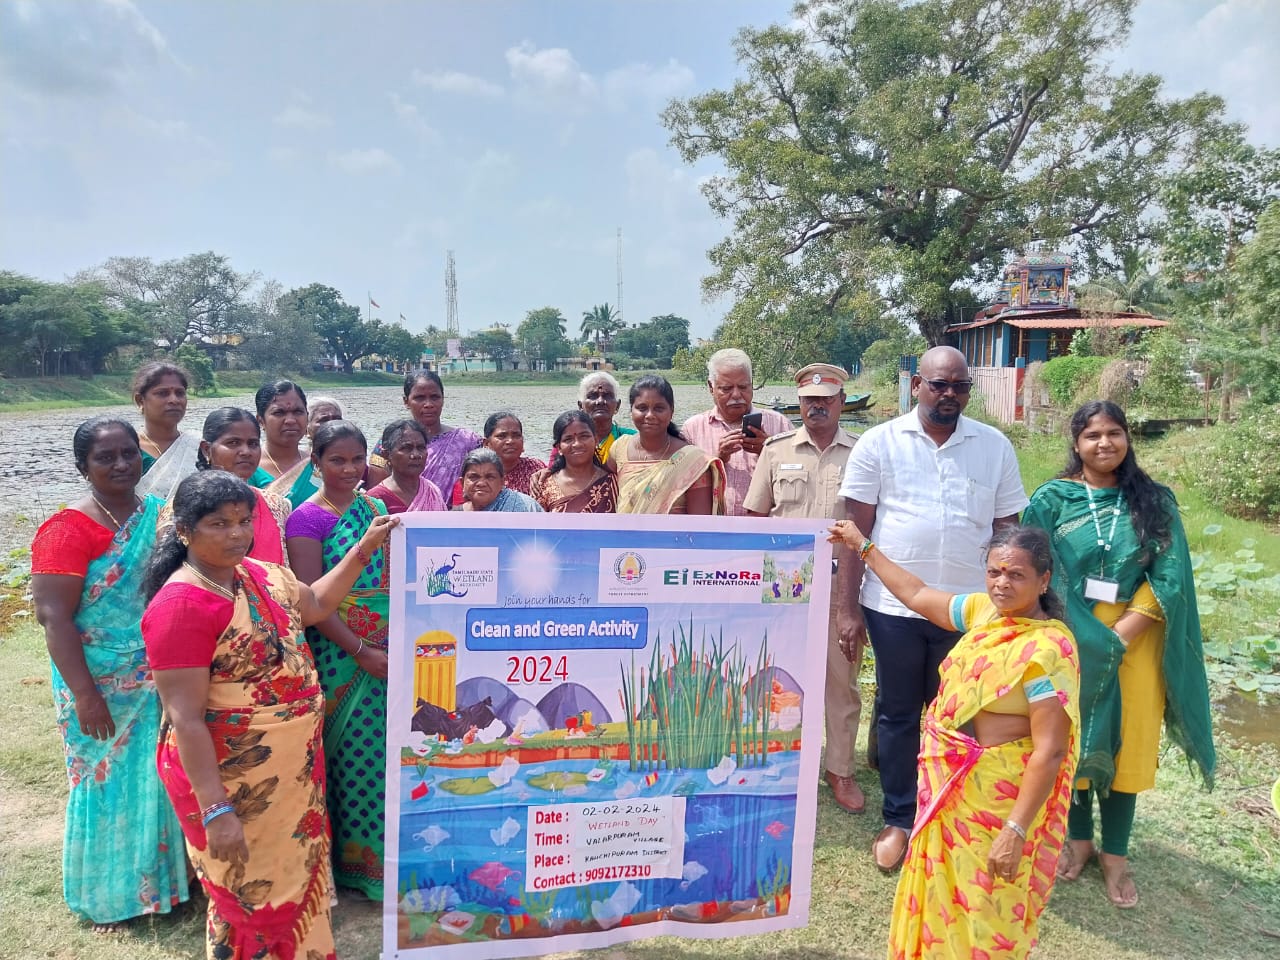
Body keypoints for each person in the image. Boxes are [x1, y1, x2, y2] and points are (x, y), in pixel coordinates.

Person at [142, 470, 398, 959]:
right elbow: (185, 718)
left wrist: (364, 547)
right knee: (251, 897)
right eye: (219, 524)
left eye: (243, 521)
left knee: (295, 880)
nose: (237, 534)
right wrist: (216, 810)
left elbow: (317, 603)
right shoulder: (181, 604)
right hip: (233, 783)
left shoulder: (262, 575)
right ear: (185, 531)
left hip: (292, 774)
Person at [828, 520, 1078, 960]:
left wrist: (1015, 830)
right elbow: (916, 594)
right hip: (950, 789)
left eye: (1016, 575)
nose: (1002, 583)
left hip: (999, 800)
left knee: (985, 909)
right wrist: (862, 546)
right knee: (940, 896)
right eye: (994, 572)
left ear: (1044, 580)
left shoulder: (1047, 650)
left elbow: (1050, 749)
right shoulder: (984, 613)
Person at [837, 345, 1029, 872]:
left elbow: (1007, 531)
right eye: (939, 384)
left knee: (958, 716)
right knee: (898, 713)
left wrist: (1014, 604)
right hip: (892, 608)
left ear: (968, 391)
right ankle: (899, 818)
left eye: (959, 386)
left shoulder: (994, 446)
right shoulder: (879, 443)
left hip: (970, 612)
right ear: (917, 385)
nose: (948, 394)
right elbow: (855, 533)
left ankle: (944, 811)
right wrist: (847, 609)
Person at [1022, 400, 1215, 908]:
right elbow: (1035, 567)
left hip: (1135, 642)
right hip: (1069, 640)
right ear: (1076, 443)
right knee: (1073, 737)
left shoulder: (1153, 500)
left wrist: (1121, 634)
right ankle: (1079, 839)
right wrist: (1082, 636)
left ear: (1127, 438)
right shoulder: (1053, 499)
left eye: (1114, 433)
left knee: (1127, 745)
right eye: (1092, 435)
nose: (1104, 443)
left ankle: (1116, 854)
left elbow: (1170, 576)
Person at [30, 416, 189, 932]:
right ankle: (107, 899)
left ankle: (164, 889)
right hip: (96, 678)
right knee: (103, 781)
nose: (121, 464)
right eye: (106, 457)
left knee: (158, 776)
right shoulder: (66, 529)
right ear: (83, 466)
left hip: (157, 671)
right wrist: (85, 694)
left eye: (129, 453)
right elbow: (54, 617)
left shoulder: (159, 516)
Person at [744, 363, 864, 814]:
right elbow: (755, 520)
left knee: (840, 679)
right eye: (810, 400)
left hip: (841, 580)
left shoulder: (862, 452)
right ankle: (779, 763)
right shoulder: (775, 451)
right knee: (778, 675)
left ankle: (840, 769)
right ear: (799, 404)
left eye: (826, 399)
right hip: (783, 582)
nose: (817, 407)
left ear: (841, 402)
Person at [285, 421, 393, 900]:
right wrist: (360, 650)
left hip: (386, 648)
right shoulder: (306, 520)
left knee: (385, 755)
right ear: (316, 463)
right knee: (348, 757)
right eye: (337, 460)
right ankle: (352, 866)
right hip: (340, 652)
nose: (350, 469)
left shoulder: (377, 509)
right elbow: (312, 601)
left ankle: (386, 858)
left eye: (357, 460)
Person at [683, 348, 791, 516]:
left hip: (766, 527)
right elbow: (683, 486)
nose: (736, 395)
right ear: (711, 387)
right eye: (726, 388)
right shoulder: (692, 429)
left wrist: (769, 452)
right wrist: (718, 461)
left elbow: (798, 479)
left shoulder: (779, 424)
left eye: (743, 387)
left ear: (752, 384)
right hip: (713, 528)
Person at [610, 375, 726, 515]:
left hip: (677, 531)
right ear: (631, 411)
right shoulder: (619, 448)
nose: (650, 415)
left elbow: (699, 523)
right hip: (625, 530)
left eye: (659, 408)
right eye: (642, 408)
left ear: (671, 411)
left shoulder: (692, 461)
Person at [190, 407, 292, 565]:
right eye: (233, 443)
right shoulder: (186, 506)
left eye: (253, 444)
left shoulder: (277, 506)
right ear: (206, 449)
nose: (246, 452)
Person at [366, 371, 482, 495]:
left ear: (443, 399)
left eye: (435, 397)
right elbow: (376, 495)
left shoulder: (466, 440)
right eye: (419, 398)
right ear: (406, 401)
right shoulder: (389, 442)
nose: (428, 404)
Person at [133, 361, 201, 499]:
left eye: (180, 393)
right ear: (140, 400)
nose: (174, 400)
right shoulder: (127, 450)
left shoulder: (200, 446)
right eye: (162, 393)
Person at [530, 410, 619, 513]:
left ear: (596, 440)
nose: (577, 444)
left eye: (584, 436)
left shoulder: (613, 482)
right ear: (559, 448)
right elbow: (536, 522)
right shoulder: (544, 486)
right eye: (568, 439)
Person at [450, 411, 546, 506]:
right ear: (486, 443)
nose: (510, 441)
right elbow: (462, 512)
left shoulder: (536, 468)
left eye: (516, 435)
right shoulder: (471, 477)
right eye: (502, 436)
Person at [366, 419, 448, 514]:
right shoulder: (375, 499)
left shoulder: (432, 492)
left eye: (421, 448)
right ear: (387, 455)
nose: (416, 455)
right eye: (406, 448)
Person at [254, 380, 313, 508]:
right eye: (279, 413)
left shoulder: (318, 464)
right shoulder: (249, 467)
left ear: (307, 417)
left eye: (298, 411)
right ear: (261, 421)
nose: (290, 420)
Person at [572, 370, 636, 462]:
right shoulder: (569, 442)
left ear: (617, 405)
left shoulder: (632, 439)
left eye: (607, 396)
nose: (600, 401)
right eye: (593, 396)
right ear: (580, 406)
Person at [456, 447, 543, 512]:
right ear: (462, 482)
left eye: (490, 477)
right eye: (474, 477)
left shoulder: (527, 508)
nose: (481, 483)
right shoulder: (455, 517)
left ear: (502, 482)